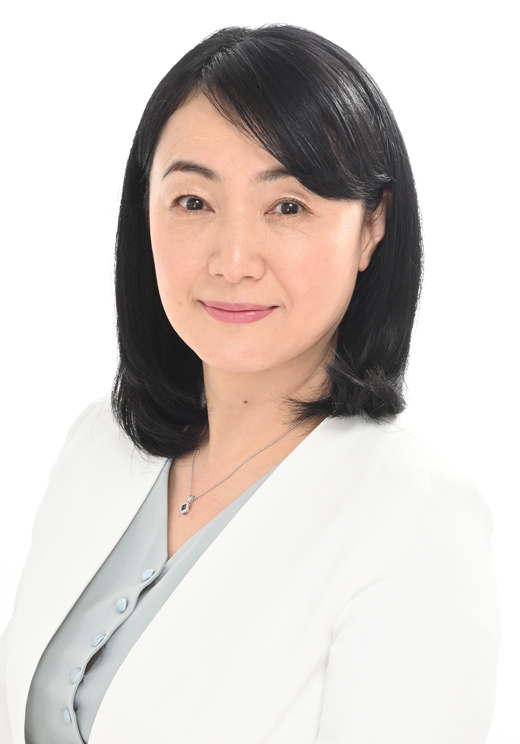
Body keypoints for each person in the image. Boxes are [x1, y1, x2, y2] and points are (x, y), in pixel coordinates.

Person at [0, 24, 500, 744]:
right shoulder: (99, 445)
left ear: (372, 227)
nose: (233, 260)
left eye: (288, 206)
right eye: (193, 202)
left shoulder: (416, 518)